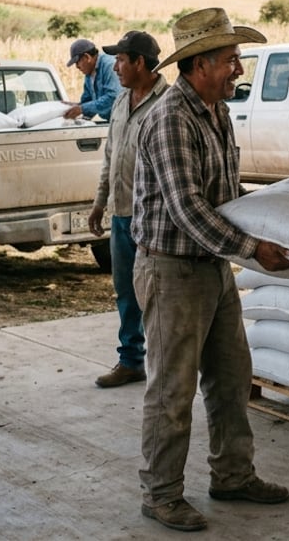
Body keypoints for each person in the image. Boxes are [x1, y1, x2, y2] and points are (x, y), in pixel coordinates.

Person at [130, 7, 289, 532]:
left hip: (211, 266)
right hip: (172, 270)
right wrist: (252, 248)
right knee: (172, 389)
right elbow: (187, 208)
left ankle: (232, 474)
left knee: (230, 377)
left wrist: (279, 217)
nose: (238, 69)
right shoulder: (172, 118)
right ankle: (161, 494)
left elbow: (225, 194)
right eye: (230, 60)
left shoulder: (215, 111)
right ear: (199, 65)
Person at [87, 30, 168, 388]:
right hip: (122, 214)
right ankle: (131, 360)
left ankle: (166, 364)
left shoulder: (168, 102)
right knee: (126, 290)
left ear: (140, 62)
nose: (115, 66)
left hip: (154, 218)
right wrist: (99, 201)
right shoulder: (121, 101)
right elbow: (111, 155)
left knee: (159, 292)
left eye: (121, 59)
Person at [63, 38, 120, 121]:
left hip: (124, 120)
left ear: (87, 57)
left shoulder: (109, 65)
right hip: (112, 121)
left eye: (77, 62)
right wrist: (74, 107)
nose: (77, 67)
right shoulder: (89, 73)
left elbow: (113, 97)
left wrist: (82, 108)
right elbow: (87, 101)